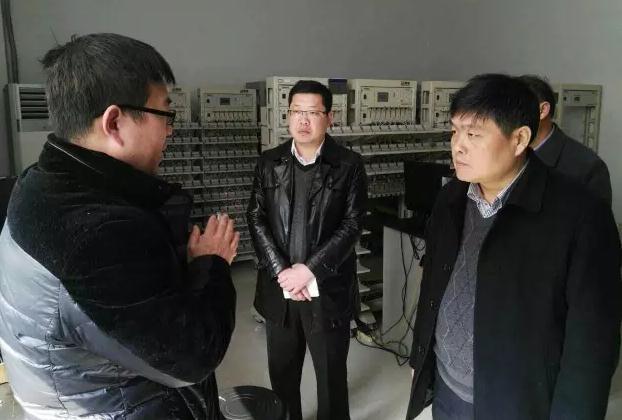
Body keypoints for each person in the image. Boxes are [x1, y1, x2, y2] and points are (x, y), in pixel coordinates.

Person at [0, 33, 239, 419]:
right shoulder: (101, 233)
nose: (170, 130)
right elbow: (192, 357)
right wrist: (211, 263)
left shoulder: (37, 183)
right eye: (165, 114)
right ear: (114, 122)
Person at [406, 74, 621, 420]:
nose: (457, 145)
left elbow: (592, 344)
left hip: (517, 402)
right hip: (447, 390)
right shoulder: (452, 197)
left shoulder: (580, 215)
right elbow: (434, 283)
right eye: (455, 131)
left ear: (519, 139)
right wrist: (421, 360)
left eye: (473, 134)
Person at [247, 80, 367, 420]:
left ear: (329, 117)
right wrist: (282, 272)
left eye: (313, 112)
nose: (303, 120)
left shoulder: (349, 165)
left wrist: (309, 270)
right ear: (287, 115)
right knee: (282, 375)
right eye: (296, 111)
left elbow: (353, 224)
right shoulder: (269, 163)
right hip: (280, 290)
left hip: (326, 290)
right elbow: (255, 217)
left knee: (331, 377)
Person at [519, 74, 612, 205]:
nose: (505, 118)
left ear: (542, 111)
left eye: (515, 108)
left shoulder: (587, 168)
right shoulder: (507, 155)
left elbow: (597, 218)